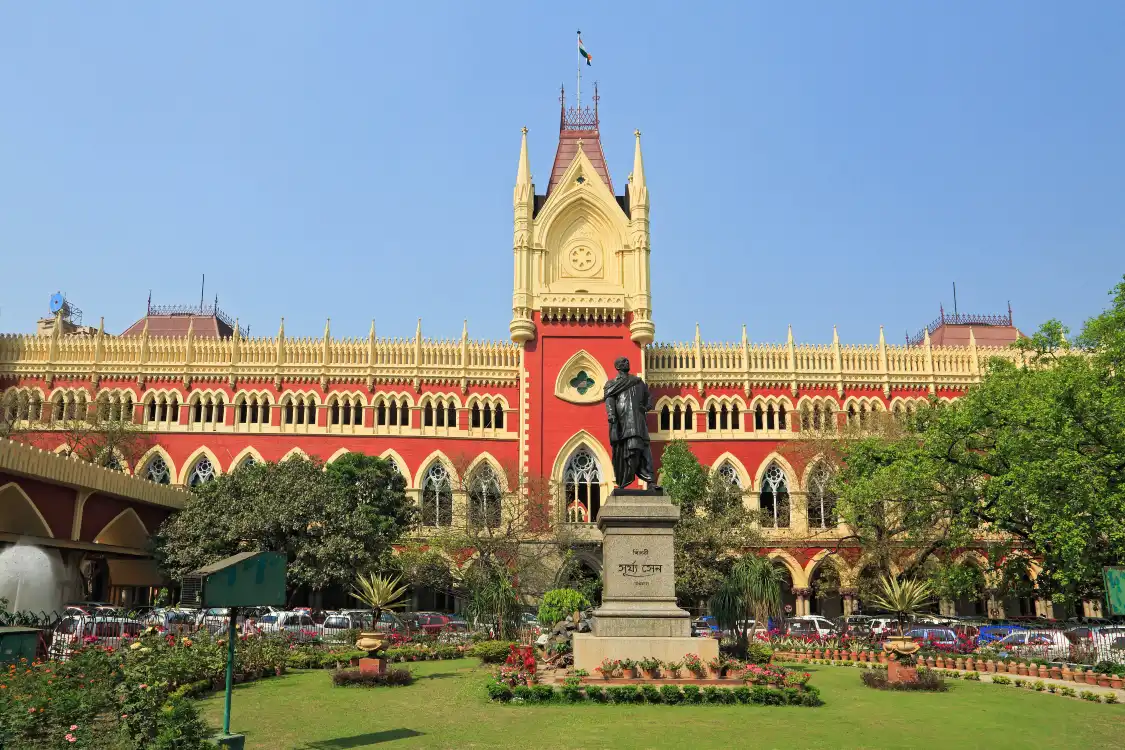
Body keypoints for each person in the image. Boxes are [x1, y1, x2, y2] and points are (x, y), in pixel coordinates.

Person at [602, 356, 656, 488]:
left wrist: (646, 407)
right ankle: (626, 479)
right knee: (630, 450)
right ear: (618, 366)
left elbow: (648, 397)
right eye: (624, 361)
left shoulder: (638, 382)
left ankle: (650, 481)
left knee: (644, 450)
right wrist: (611, 415)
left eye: (628, 360)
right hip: (623, 421)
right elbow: (609, 401)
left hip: (639, 421)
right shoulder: (612, 384)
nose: (627, 362)